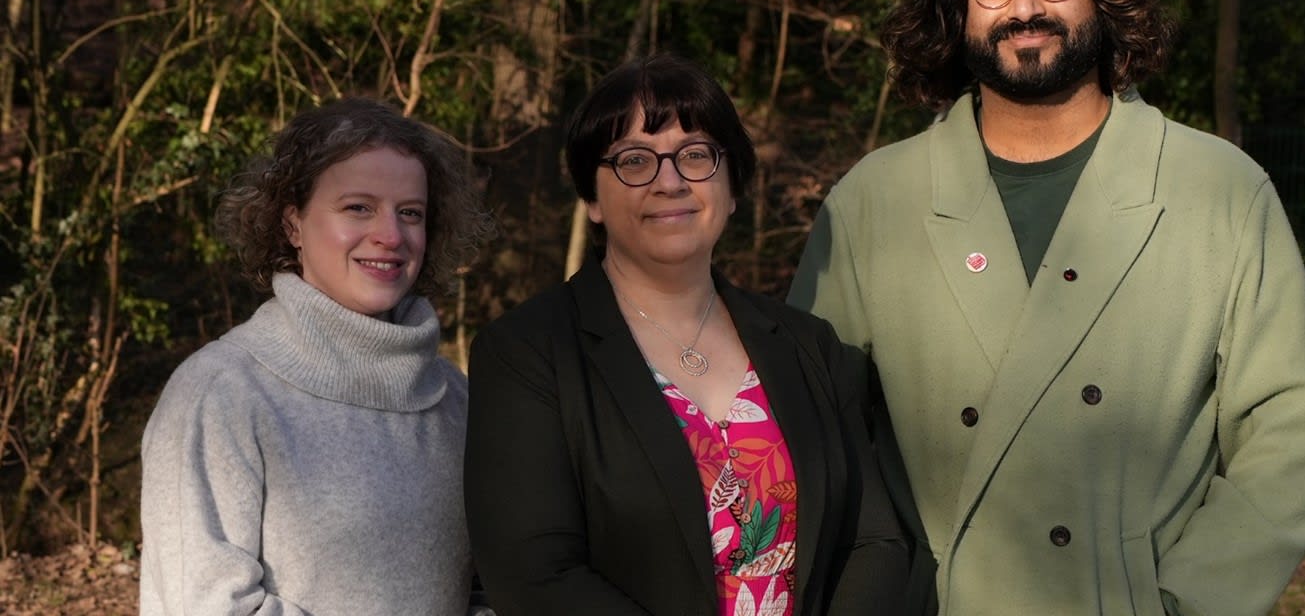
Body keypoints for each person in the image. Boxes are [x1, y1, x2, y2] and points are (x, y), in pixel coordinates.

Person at [788, 0, 1305, 616]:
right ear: (956, 10)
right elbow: (820, 437)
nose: (1023, 8)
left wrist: (1183, 603)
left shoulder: (1217, 188)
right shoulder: (873, 203)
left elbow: (1288, 430)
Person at [464, 53, 909, 615]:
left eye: (695, 155)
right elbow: (534, 576)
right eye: (634, 160)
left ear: (733, 183)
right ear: (591, 198)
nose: (669, 181)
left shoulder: (807, 347)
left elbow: (875, 542)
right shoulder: (528, 354)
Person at [140, 98, 493, 615]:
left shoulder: (455, 400)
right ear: (292, 225)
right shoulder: (219, 394)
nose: (390, 236)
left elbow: (488, 586)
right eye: (358, 208)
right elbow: (205, 605)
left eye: (410, 213)